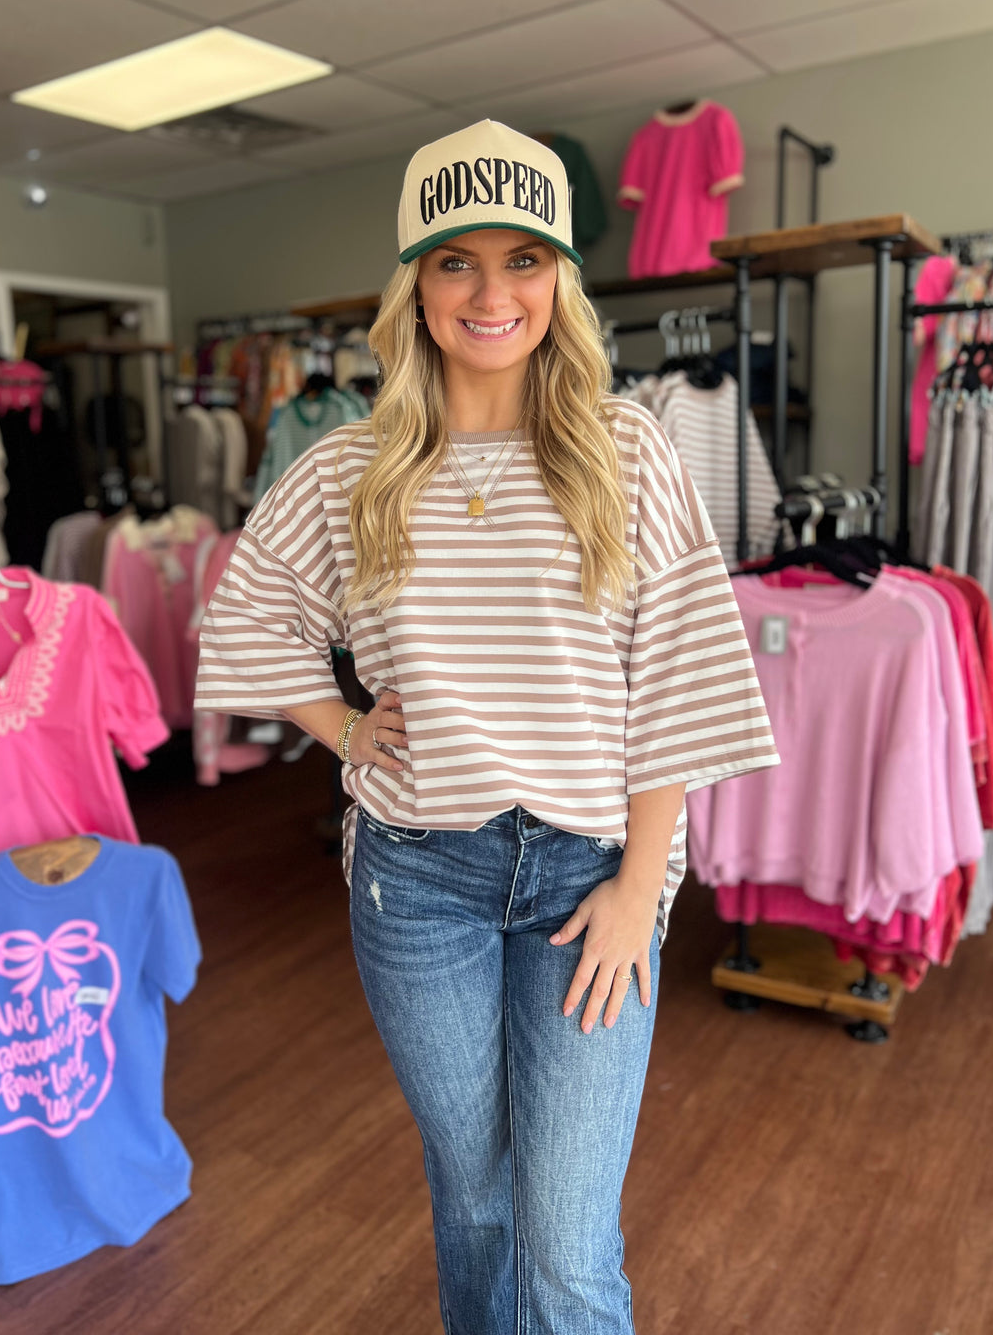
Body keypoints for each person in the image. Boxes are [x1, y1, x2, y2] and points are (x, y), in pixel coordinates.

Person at [195, 120, 778, 1334]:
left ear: (562, 279)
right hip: (417, 881)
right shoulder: (352, 469)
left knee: (566, 1241)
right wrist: (346, 729)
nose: (491, 292)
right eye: (456, 261)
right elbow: (244, 616)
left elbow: (675, 676)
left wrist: (640, 884)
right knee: (473, 1204)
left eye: (524, 259)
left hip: (589, 875)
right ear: (415, 284)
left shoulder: (626, 450)